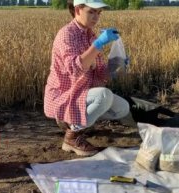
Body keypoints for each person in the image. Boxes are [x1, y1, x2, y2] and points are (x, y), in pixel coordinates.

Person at [43, 0, 130, 156]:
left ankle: (78, 122)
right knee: (104, 95)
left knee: (122, 108)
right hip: (64, 96)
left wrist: (115, 66)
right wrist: (98, 44)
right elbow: (75, 69)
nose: (96, 17)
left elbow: (100, 74)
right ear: (77, 10)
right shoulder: (66, 34)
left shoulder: (90, 35)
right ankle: (71, 136)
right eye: (91, 11)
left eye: (98, 13)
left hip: (82, 93)